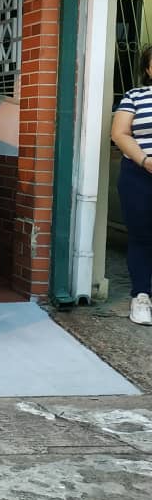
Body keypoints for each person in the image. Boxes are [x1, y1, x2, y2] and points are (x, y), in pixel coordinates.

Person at [111, 46, 152, 326]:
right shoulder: (134, 96)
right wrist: (145, 161)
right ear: (148, 69)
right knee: (142, 236)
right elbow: (120, 133)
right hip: (139, 173)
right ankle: (141, 296)